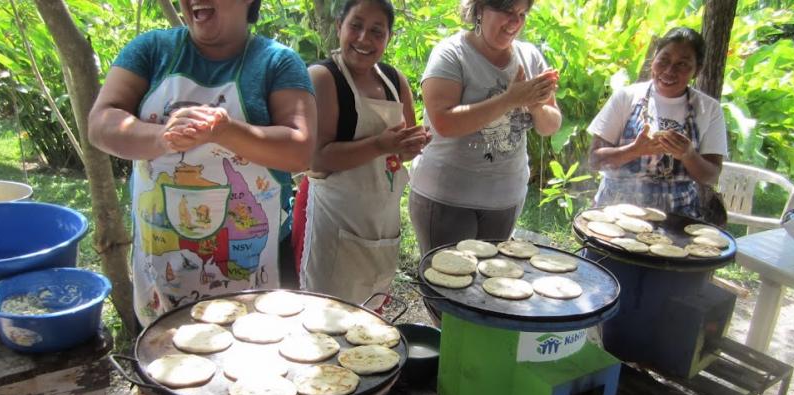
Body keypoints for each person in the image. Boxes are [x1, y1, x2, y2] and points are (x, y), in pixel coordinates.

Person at [88, 0, 316, 327]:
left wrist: (223, 131)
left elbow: (301, 150)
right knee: (163, 364)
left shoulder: (276, 62)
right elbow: (101, 123)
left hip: (252, 263)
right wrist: (161, 137)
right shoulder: (152, 50)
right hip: (162, 270)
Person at [295, 0, 430, 305]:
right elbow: (316, 158)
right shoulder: (324, 78)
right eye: (355, 26)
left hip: (380, 225)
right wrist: (380, 145)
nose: (363, 39)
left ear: (388, 38)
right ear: (340, 25)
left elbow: (402, 153)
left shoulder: (395, 81)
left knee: (368, 326)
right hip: (333, 223)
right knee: (325, 317)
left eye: (376, 31)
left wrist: (413, 143)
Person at [407, 0, 562, 256]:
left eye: (522, 14)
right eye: (506, 11)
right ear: (479, 9)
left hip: (505, 198)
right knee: (446, 285)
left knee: (488, 286)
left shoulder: (530, 57)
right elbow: (443, 122)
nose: (515, 22)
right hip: (447, 197)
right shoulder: (452, 53)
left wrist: (534, 104)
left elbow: (551, 125)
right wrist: (510, 99)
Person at [587, 27, 727, 219]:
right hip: (615, 212)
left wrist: (688, 155)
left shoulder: (709, 109)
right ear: (654, 59)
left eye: (682, 64)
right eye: (664, 60)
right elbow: (595, 160)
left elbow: (711, 176)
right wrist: (634, 150)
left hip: (677, 219)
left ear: (697, 70)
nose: (669, 71)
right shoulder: (625, 98)